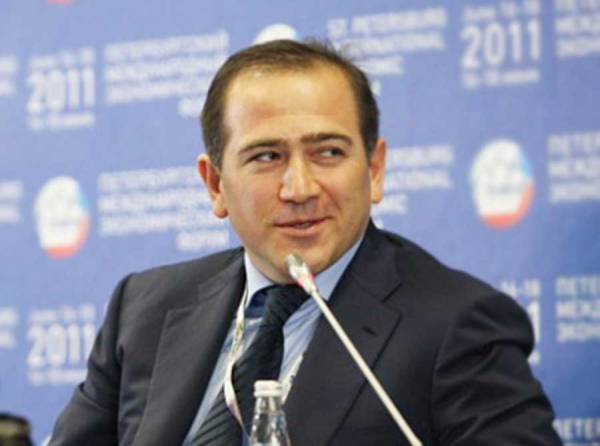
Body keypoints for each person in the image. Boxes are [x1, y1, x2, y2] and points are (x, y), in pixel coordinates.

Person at [49, 39, 562, 446]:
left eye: (328, 152)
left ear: (374, 169)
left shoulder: (457, 325)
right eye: (266, 157)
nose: (300, 189)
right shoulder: (144, 309)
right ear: (215, 184)